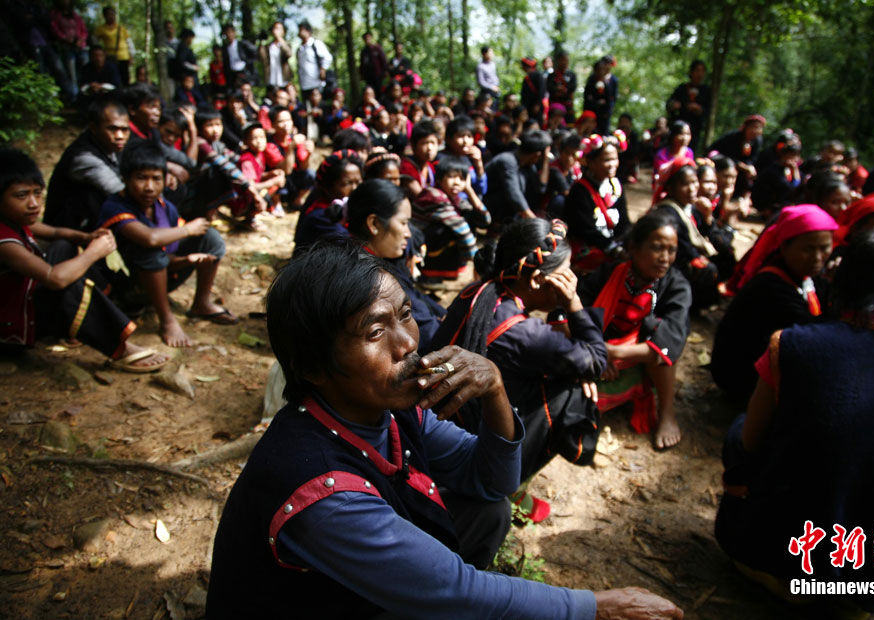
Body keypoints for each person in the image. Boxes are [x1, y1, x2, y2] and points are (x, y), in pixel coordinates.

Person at [206, 240, 684, 620]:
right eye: (376, 333)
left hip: (345, 588)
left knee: (488, 511)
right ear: (313, 365)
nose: (408, 344)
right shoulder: (323, 493)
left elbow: (492, 482)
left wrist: (496, 391)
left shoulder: (387, 408)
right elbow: (457, 589)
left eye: (406, 316)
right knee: (458, 592)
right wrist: (592, 608)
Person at [715, 225, 874, 617]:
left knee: (738, 431)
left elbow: (747, 444)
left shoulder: (793, 345)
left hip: (786, 563)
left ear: (845, 274)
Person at [434, 219, 606, 508]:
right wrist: (573, 303)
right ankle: (507, 481)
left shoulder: (480, 291)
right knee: (574, 393)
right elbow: (597, 360)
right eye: (567, 275)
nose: (572, 280)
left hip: (447, 420)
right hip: (473, 439)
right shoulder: (525, 335)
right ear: (538, 279)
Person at [0, 147, 169, 372]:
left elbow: (52, 233)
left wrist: (85, 236)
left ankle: (75, 324)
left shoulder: (15, 220)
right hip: (7, 330)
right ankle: (121, 347)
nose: (33, 203)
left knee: (64, 247)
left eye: (37, 193)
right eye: (21, 195)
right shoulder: (4, 241)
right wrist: (94, 252)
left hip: (18, 302)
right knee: (67, 283)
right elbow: (54, 279)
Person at [98, 143, 235, 347]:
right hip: (125, 287)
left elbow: (166, 253)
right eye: (141, 178)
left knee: (210, 238)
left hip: (161, 275)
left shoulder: (164, 207)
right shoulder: (114, 206)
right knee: (149, 250)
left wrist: (184, 261)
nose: (149, 187)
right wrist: (188, 229)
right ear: (125, 179)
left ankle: (202, 302)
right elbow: (150, 239)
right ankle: (167, 320)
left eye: (156, 179)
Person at [578, 211, 691, 449]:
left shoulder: (676, 286)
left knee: (662, 344)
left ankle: (667, 413)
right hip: (599, 353)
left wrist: (611, 352)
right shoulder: (610, 272)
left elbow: (668, 342)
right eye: (657, 248)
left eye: (671, 250)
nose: (665, 258)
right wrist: (595, 349)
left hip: (640, 359)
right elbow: (576, 311)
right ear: (634, 247)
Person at [711, 205, 837, 402]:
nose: (818, 257)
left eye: (824, 248)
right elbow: (815, 334)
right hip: (743, 379)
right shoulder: (771, 285)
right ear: (785, 246)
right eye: (808, 249)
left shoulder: (806, 275)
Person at [346, 179, 444, 351]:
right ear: (374, 224)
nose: (408, 233)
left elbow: (417, 297)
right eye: (403, 223)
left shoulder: (385, 260)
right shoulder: (368, 281)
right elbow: (426, 333)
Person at [653, 156, 732, 310]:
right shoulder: (668, 213)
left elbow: (712, 236)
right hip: (673, 265)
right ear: (670, 187)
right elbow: (680, 250)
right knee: (707, 269)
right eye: (685, 184)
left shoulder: (692, 209)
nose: (692, 188)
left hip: (686, 257)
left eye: (694, 182)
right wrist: (698, 258)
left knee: (725, 253)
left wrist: (708, 218)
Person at [45, 97, 129, 232]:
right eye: (112, 129)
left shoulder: (112, 146)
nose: (120, 135)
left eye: (125, 130)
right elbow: (118, 189)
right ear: (93, 128)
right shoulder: (83, 156)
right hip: (64, 229)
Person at [564, 132, 630, 272]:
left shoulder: (616, 186)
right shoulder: (579, 190)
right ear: (591, 163)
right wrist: (613, 249)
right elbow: (585, 230)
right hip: (591, 247)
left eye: (615, 159)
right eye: (606, 160)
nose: (612, 164)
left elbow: (624, 221)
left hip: (613, 242)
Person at [294, 149, 363, 252]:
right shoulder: (322, 217)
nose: (354, 188)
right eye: (347, 183)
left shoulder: (348, 210)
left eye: (358, 182)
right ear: (328, 187)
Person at [484, 129, 551, 223]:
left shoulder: (528, 166)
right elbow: (514, 194)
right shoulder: (507, 160)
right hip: (488, 204)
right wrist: (535, 222)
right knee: (510, 198)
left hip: (505, 210)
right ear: (537, 154)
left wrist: (545, 161)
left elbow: (540, 188)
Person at [707, 115, 765, 199]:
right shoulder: (734, 137)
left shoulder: (757, 141)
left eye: (759, 128)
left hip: (740, 170)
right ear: (745, 127)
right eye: (753, 127)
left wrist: (749, 167)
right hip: (722, 163)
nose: (755, 131)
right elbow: (728, 155)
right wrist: (743, 166)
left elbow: (753, 158)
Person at [751, 132, 802, 217]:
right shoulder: (773, 170)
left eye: (796, 156)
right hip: (764, 206)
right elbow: (792, 188)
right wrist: (795, 170)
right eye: (792, 156)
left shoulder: (787, 169)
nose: (795, 159)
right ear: (784, 155)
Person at [666, 60, 710, 149]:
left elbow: (709, 112)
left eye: (702, 71)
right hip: (678, 126)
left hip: (695, 129)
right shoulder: (682, 88)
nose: (700, 74)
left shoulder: (706, 91)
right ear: (691, 72)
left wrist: (699, 109)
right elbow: (669, 104)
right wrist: (674, 105)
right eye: (697, 70)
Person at [49, 0, 87, 103]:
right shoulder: (55, 15)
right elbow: (55, 30)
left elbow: (83, 30)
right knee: (72, 74)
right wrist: (66, 39)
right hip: (66, 48)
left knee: (85, 70)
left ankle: (86, 94)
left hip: (80, 47)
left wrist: (81, 39)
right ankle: (75, 97)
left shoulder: (74, 15)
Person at [94, 6, 132, 87]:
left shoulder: (121, 28)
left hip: (124, 58)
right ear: (105, 16)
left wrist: (131, 55)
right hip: (110, 58)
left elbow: (129, 42)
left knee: (125, 79)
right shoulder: (101, 29)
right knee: (113, 80)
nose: (111, 16)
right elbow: (95, 42)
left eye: (113, 14)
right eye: (109, 14)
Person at [296, 21, 332, 102]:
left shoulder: (316, 44)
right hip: (304, 85)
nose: (299, 32)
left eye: (301, 30)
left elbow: (328, 57)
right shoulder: (300, 49)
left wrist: (323, 69)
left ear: (308, 31)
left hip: (316, 84)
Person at [583, 56, 618, 135]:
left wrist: (608, 111)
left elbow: (611, 99)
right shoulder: (591, 80)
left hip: (604, 115)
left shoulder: (609, 82)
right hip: (591, 114)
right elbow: (587, 97)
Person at [259, 21, 293, 93]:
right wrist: (261, 41)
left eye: (279, 29)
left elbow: (288, 54)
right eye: (275, 28)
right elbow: (262, 58)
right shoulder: (268, 47)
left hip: (284, 80)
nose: (276, 30)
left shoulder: (286, 44)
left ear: (283, 32)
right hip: (271, 80)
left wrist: (280, 38)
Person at [548, 50, 578, 123]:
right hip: (555, 103)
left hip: (567, 105)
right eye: (562, 60)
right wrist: (557, 89)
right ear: (558, 60)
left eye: (566, 60)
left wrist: (565, 90)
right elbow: (549, 87)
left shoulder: (571, 74)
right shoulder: (552, 75)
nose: (564, 62)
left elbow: (573, 87)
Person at [519, 57, 548, 125]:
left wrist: (538, 104)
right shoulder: (526, 78)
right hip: (527, 106)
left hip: (536, 106)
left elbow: (542, 91)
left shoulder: (538, 75)